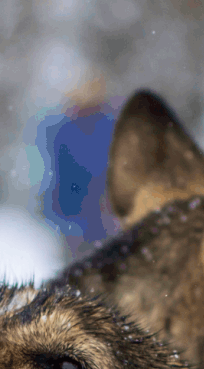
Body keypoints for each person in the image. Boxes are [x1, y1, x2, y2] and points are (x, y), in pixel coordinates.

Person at [35, 84, 119, 258]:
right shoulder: (64, 129)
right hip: (75, 219)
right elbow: (57, 175)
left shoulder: (109, 126)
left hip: (101, 218)